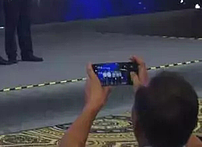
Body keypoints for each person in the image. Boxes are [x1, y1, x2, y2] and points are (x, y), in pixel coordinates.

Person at [59, 57, 202, 147]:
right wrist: (147, 95)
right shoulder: (184, 131)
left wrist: (91, 106)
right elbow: (179, 127)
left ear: (137, 126)